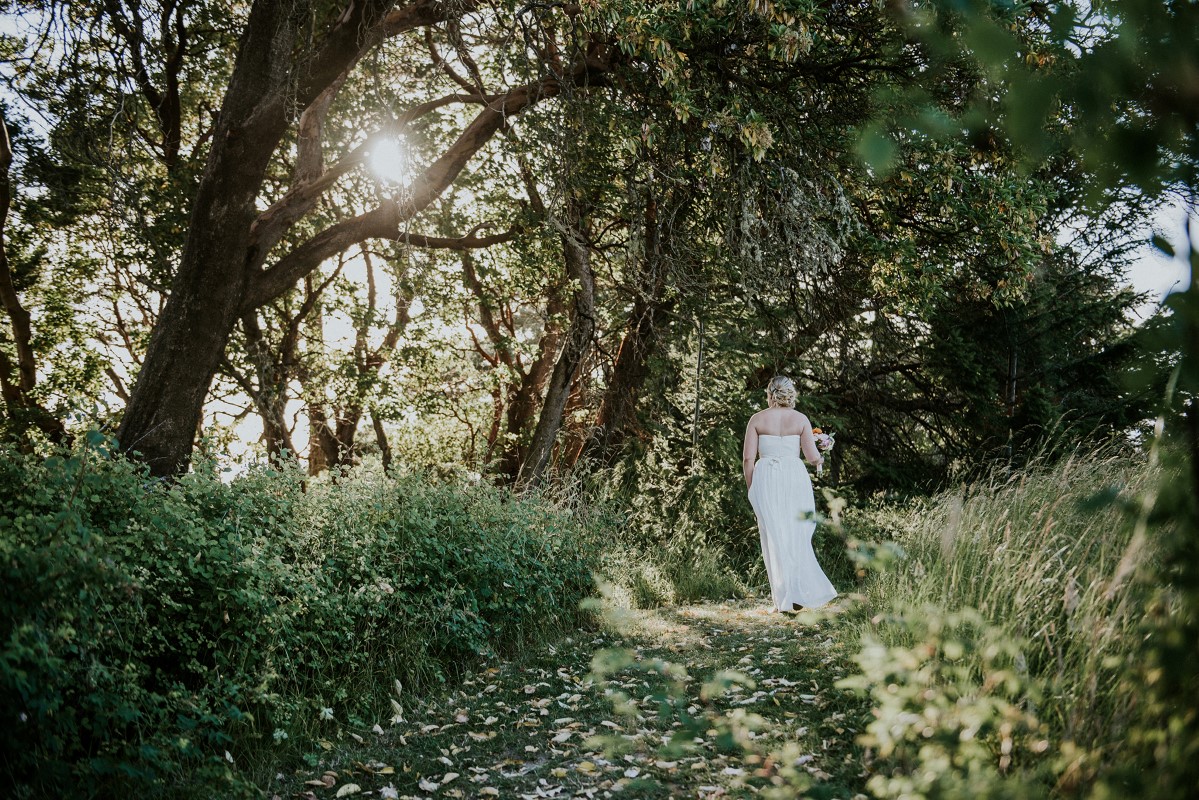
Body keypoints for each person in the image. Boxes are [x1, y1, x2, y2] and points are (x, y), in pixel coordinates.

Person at [742, 376, 838, 612]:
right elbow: (813, 457)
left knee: (773, 536)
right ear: (790, 394)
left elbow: (747, 459)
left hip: (766, 479)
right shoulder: (801, 419)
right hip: (795, 479)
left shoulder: (757, 419)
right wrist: (822, 455)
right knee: (797, 534)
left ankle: (784, 597)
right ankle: (794, 594)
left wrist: (752, 488)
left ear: (770, 394)